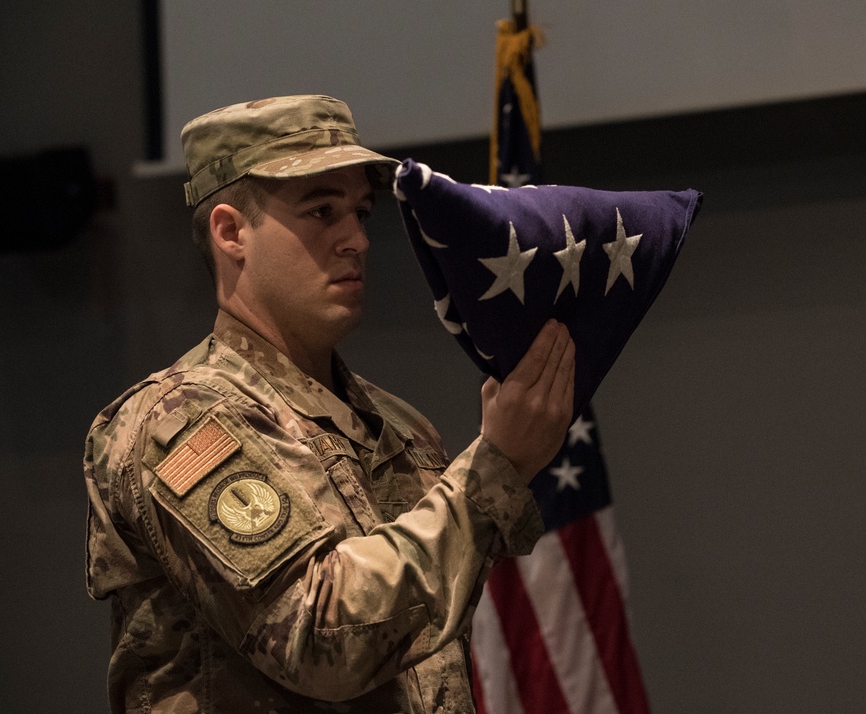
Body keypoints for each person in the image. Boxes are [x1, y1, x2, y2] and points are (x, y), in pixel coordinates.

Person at [84, 94, 575, 713]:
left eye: (361, 212)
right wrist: (494, 469)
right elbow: (319, 639)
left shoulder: (400, 428)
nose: (358, 241)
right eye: (321, 211)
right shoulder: (177, 422)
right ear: (231, 232)